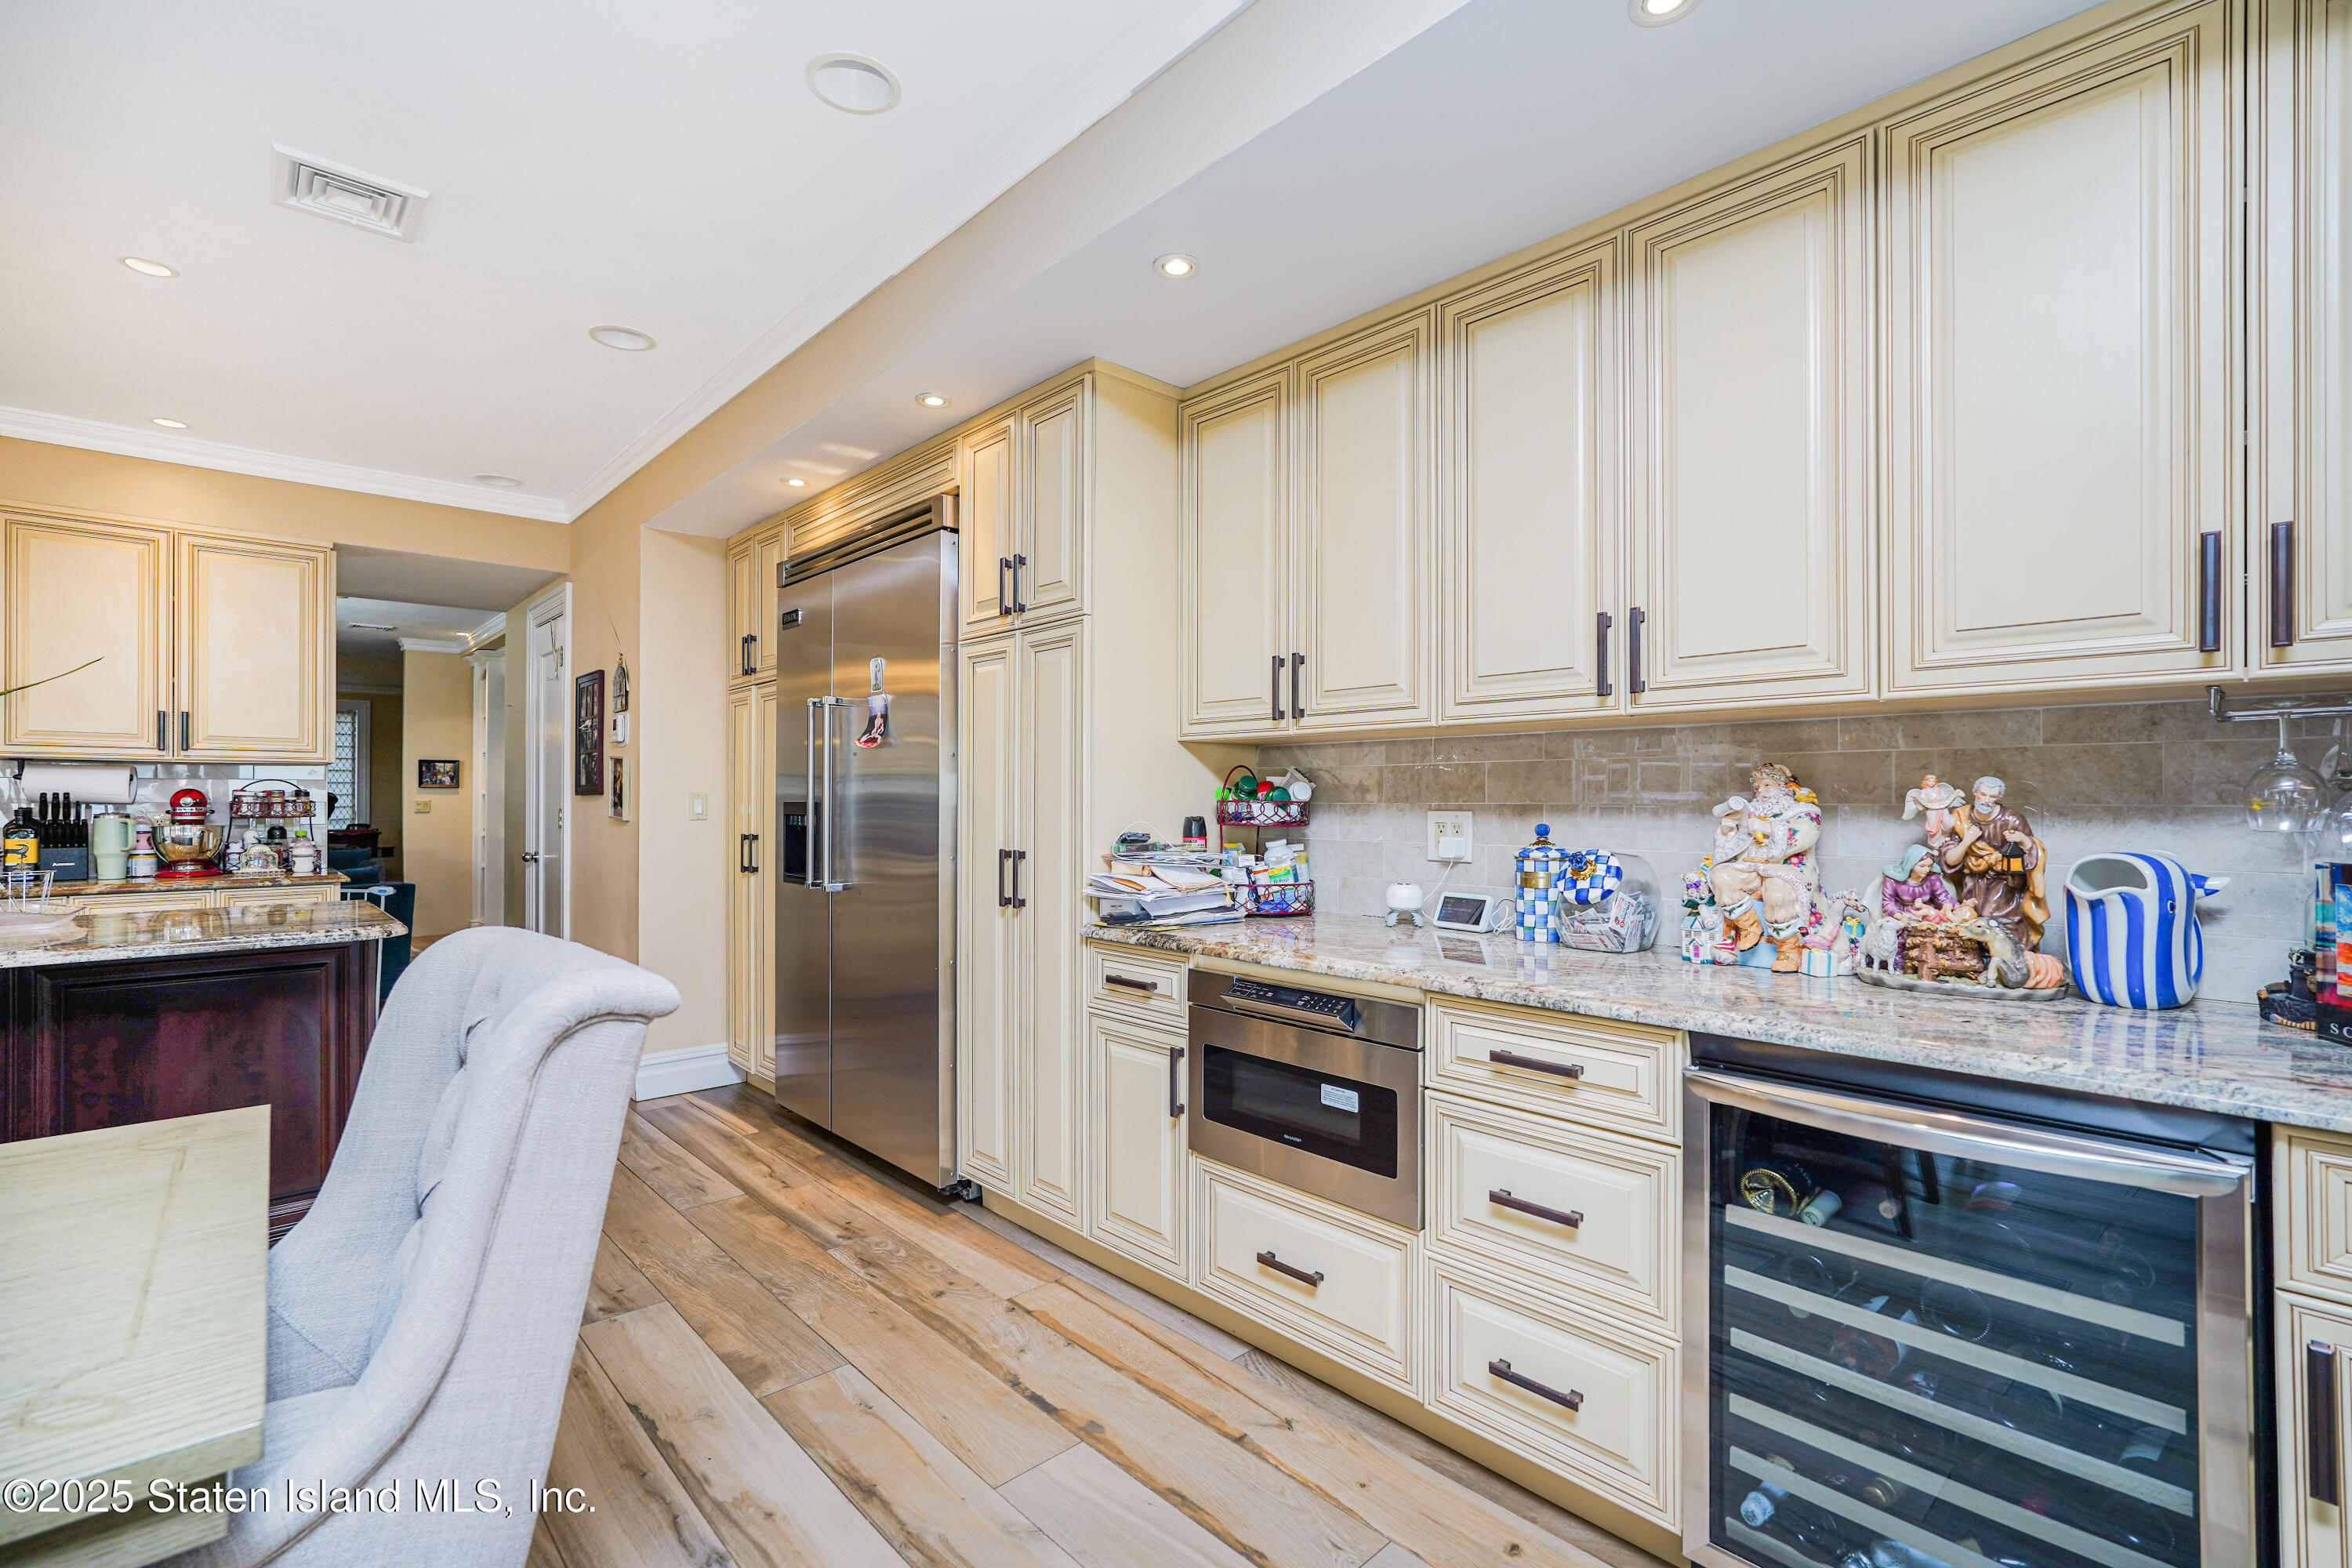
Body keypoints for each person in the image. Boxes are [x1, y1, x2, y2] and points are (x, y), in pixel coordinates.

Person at [1705, 763, 1824, 972]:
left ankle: (1788, 951)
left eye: (1767, 785)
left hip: (1785, 869)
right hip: (1750, 867)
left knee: (1778, 892)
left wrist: (1768, 827)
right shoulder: (1751, 812)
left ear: (1784, 786)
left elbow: (1804, 836)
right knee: (1721, 877)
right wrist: (1727, 831)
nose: (1762, 792)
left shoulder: (1805, 811)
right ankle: (1749, 927)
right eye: (1758, 787)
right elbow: (1733, 845)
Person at [1931, 775, 2048, 949]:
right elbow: (1949, 858)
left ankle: (2013, 953)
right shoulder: (1961, 817)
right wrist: (1967, 841)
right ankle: (1976, 959)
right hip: (1972, 881)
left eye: (1992, 797)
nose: (1986, 801)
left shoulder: (2013, 820)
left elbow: (2032, 855)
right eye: (1983, 795)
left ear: (1999, 798)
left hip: (2004, 882)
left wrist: (2023, 840)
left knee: (1991, 916)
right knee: (1971, 917)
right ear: (1975, 792)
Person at [1879, 844, 1960, 922]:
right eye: (1922, 866)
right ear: (1911, 864)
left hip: (1928, 914)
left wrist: (1957, 907)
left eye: (1929, 866)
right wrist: (1898, 915)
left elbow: (1942, 895)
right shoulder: (1893, 880)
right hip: (1903, 914)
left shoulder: (1932, 878)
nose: (1927, 870)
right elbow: (1888, 901)